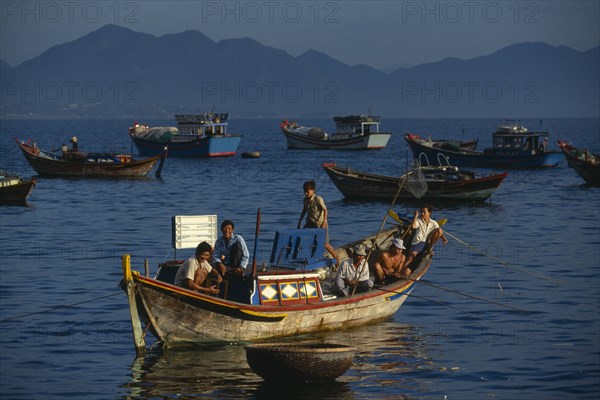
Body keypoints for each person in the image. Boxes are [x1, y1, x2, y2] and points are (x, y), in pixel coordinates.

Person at [297, 180, 340, 267]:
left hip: (320, 223)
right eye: (305, 191)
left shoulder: (318, 199)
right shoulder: (305, 200)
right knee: (303, 236)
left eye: (308, 191)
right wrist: (300, 221)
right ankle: (309, 258)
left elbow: (325, 210)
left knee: (325, 244)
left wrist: (324, 222)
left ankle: (336, 257)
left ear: (313, 191)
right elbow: (304, 210)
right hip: (310, 222)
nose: (306, 193)